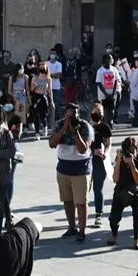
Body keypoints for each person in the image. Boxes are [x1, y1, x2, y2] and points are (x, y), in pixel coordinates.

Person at [49, 103, 94, 243]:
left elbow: (83, 149)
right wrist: (63, 129)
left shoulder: (85, 126)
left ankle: (82, 231)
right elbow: (51, 143)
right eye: (69, 115)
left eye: (74, 114)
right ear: (65, 115)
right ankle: (71, 227)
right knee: (67, 200)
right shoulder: (59, 125)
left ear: (78, 114)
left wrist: (75, 132)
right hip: (63, 169)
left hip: (81, 170)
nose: (72, 117)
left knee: (81, 202)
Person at [105, 136, 138, 249]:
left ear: (137, 149)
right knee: (114, 217)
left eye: (133, 149)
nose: (130, 153)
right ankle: (113, 234)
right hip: (121, 189)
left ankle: (137, 239)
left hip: (136, 191)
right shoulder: (119, 158)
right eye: (128, 150)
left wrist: (132, 164)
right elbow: (115, 179)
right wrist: (118, 161)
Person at [89, 104, 113, 228]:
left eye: (101, 112)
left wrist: (105, 153)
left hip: (101, 161)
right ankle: (81, 216)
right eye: (96, 111)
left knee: (98, 189)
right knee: (84, 190)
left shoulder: (105, 127)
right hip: (87, 161)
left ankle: (98, 215)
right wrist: (93, 151)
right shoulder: (86, 127)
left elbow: (109, 143)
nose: (99, 114)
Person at [95, 54, 121, 127]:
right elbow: (99, 83)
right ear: (105, 60)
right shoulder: (100, 71)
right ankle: (103, 124)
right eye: (109, 58)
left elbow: (116, 80)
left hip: (112, 94)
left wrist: (113, 92)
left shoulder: (114, 69)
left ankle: (110, 122)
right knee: (103, 110)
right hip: (103, 95)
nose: (111, 60)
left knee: (111, 109)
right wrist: (105, 94)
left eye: (111, 58)